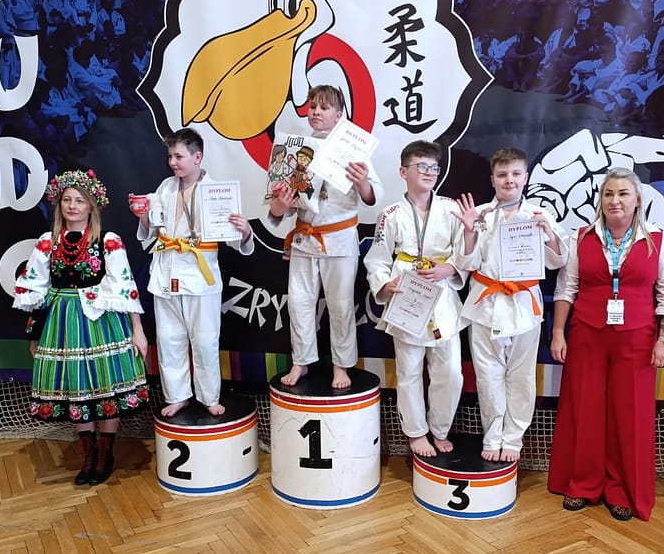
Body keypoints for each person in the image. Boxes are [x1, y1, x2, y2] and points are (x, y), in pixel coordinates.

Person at [547, 167, 664, 521]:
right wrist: (558, 333)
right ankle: (583, 483)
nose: (615, 200)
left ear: (637, 200)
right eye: (608, 194)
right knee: (584, 408)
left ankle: (621, 489)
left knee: (630, 415)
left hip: (637, 339)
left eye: (623, 193)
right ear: (601, 200)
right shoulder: (582, 237)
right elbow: (566, 289)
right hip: (587, 335)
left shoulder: (657, 239)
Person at [13, 169, 149, 485]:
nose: (72, 206)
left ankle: (105, 453)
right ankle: (88, 454)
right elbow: (37, 291)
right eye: (67, 200)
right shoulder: (48, 243)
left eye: (79, 200)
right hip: (62, 322)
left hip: (101, 320)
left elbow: (125, 288)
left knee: (105, 384)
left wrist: (138, 330)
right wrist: (35, 334)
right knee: (77, 386)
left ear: (91, 206)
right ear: (59, 205)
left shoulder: (107, 241)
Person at [456, 148, 567, 463]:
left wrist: (549, 235)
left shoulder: (539, 215)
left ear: (526, 177)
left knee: (521, 376)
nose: (509, 180)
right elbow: (465, 264)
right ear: (492, 179)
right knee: (487, 376)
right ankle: (492, 436)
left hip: (523, 306)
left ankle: (514, 438)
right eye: (502, 175)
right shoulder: (479, 214)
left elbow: (559, 261)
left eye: (516, 174)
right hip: (485, 304)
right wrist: (468, 231)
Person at [132, 127, 253, 417]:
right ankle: (177, 396)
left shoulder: (217, 192)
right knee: (169, 339)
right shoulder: (165, 187)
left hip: (199, 275)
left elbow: (236, 242)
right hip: (166, 271)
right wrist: (143, 217)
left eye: (179, 156)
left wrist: (245, 231)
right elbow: (150, 231)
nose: (173, 162)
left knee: (205, 340)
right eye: (170, 157)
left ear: (197, 157)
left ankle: (209, 396)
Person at [268, 84, 382, 389]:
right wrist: (280, 202)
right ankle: (301, 361)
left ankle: (341, 365)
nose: (316, 112)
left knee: (340, 306)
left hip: (339, 238)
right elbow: (279, 211)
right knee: (299, 303)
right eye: (312, 107)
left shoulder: (353, 149)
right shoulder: (296, 150)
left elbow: (373, 196)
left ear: (339, 114)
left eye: (324, 107)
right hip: (305, 239)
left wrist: (362, 182)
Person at [364, 141, 468, 458]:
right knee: (409, 371)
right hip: (407, 296)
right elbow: (377, 260)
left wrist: (451, 267)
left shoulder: (451, 209)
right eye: (421, 166)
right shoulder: (390, 215)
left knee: (451, 372)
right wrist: (384, 285)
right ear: (403, 172)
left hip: (442, 295)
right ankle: (416, 433)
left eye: (433, 167)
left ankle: (440, 429)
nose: (429, 172)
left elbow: (466, 252)